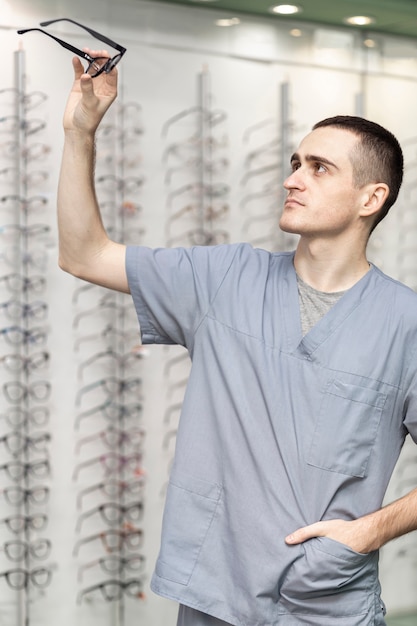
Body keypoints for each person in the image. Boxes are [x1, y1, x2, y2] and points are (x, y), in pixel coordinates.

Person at [57, 51, 417, 626]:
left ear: (370, 199)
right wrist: (80, 134)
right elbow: (84, 254)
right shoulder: (222, 278)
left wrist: (367, 532)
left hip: (326, 599)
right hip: (215, 591)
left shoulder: (406, 323)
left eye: (319, 168)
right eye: (295, 161)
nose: (292, 178)